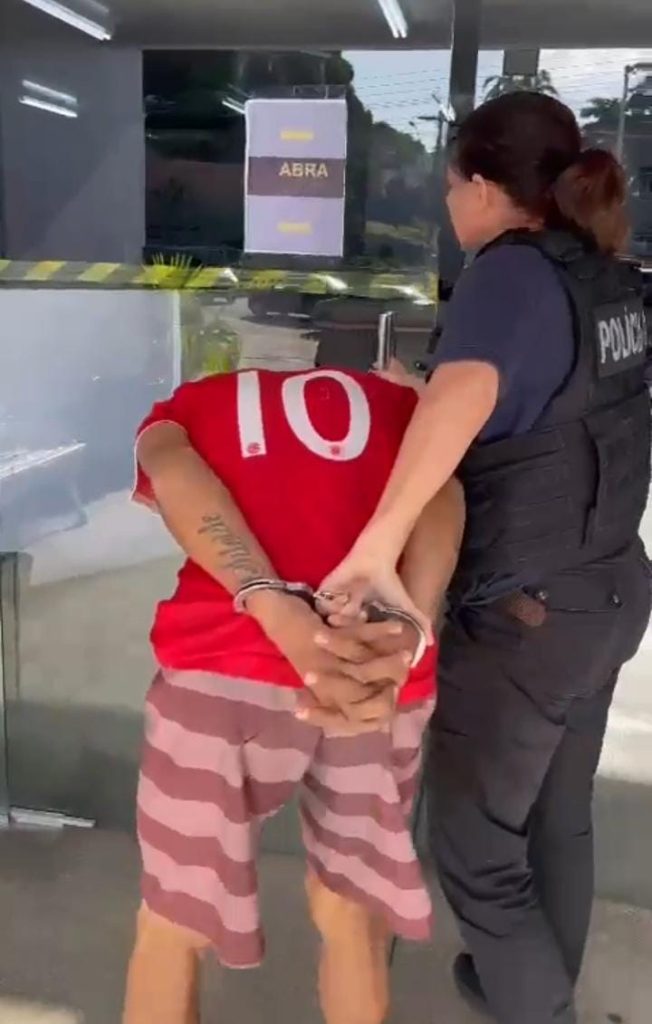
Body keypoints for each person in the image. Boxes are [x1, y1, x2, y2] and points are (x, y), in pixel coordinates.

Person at [320, 92, 652, 1024]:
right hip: (606, 589)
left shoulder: (508, 273)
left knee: (476, 849)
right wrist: (427, 392)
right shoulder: (603, 276)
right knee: (557, 817)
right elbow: (543, 404)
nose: (448, 207)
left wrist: (377, 546)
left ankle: (537, 1008)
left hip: (527, 614)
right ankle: (531, 986)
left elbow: (470, 394)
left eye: (450, 187)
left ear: (484, 188)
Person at [122, 363, 465, 1024]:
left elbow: (171, 473)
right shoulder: (407, 407)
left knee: (174, 917)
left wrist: (273, 607)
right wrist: (409, 630)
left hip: (220, 668)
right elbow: (442, 493)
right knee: (355, 912)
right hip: (373, 673)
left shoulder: (192, 402)